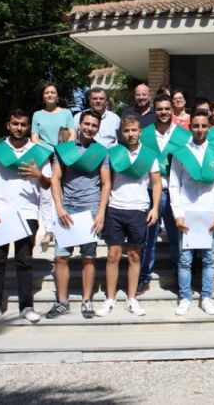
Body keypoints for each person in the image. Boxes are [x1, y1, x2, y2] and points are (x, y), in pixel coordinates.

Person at [0, 109, 52, 323]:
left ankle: (26, 307)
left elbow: (49, 184)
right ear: (8, 125)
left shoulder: (38, 152)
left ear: (28, 127)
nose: (19, 128)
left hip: (27, 213)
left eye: (24, 124)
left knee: (24, 262)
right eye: (15, 123)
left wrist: (39, 175)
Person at [95, 115, 162, 317]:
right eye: (126, 131)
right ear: (121, 133)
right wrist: (102, 210)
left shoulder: (149, 155)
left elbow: (157, 183)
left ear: (140, 131)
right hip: (115, 208)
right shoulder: (113, 153)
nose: (131, 134)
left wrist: (155, 208)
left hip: (138, 210)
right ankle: (110, 299)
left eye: (134, 130)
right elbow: (106, 183)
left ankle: (132, 298)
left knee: (134, 256)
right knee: (113, 256)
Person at [47, 110, 111, 319]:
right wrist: (59, 207)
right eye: (87, 124)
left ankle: (86, 302)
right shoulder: (64, 150)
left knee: (89, 258)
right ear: (79, 125)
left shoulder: (101, 152)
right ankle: (62, 302)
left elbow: (106, 183)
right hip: (67, 210)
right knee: (61, 258)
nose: (90, 128)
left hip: (90, 210)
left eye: (94, 125)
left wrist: (101, 212)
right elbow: (55, 179)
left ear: (98, 128)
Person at [169, 110, 214, 316]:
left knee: (209, 258)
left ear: (209, 128)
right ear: (190, 127)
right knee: (185, 259)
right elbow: (173, 185)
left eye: (204, 126)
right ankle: (185, 297)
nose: (200, 130)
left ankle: (206, 297)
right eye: (196, 126)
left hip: (209, 213)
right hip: (187, 212)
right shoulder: (181, 153)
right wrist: (177, 214)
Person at [138, 95, 190, 295]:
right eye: (159, 109)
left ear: (172, 110)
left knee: (177, 237)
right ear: (154, 110)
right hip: (151, 192)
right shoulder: (145, 135)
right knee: (148, 238)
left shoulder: (183, 135)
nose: (163, 112)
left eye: (167, 108)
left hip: (177, 193)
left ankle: (179, 276)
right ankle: (144, 277)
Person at [31, 82, 76, 249]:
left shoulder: (66, 113)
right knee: (45, 194)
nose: (50, 95)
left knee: (62, 191)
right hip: (44, 156)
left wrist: (63, 149)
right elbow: (34, 137)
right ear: (43, 96)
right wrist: (45, 150)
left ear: (57, 96)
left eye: (53, 92)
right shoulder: (37, 114)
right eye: (47, 92)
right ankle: (49, 229)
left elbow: (72, 133)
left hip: (62, 155)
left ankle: (63, 224)